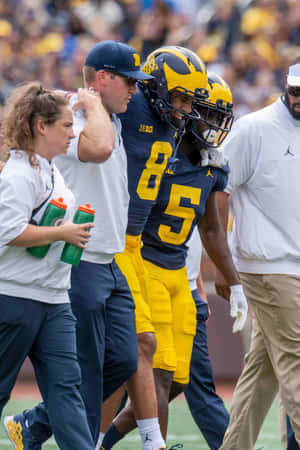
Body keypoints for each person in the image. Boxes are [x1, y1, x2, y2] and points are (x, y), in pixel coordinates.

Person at [6, 40, 153, 448]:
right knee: (84, 369)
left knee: (123, 358)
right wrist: (90, 105)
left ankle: (33, 425)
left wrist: (101, 107)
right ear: (102, 78)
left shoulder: (107, 114)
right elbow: (99, 150)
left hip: (110, 258)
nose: (134, 91)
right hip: (80, 258)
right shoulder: (69, 115)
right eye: (128, 82)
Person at [102, 72, 248, 448]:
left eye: (219, 118)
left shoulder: (210, 164)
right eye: (208, 116)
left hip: (178, 273)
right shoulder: (158, 151)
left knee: (176, 382)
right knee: (159, 374)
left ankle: (89, 438)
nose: (213, 126)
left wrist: (232, 282)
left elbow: (212, 228)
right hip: (144, 265)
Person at [100, 46, 208, 450]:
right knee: (137, 347)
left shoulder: (171, 122)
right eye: (179, 97)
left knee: (141, 358)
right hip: (112, 241)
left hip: (135, 244)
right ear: (157, 86)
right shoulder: (129, 107)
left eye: (189, 100)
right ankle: (150, 443)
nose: (184, 108)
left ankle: (51, 428)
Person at [0, 82, 95, 450]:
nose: (73, 133)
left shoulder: (50, 171)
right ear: (41, 126)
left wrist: (60, 233)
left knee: (67, 390)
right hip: (14, 298)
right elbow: (8, 231)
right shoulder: (18, 175)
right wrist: (64, 234)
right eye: (66, 126)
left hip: (54, 298)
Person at [216, 60, 300, 450]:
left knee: (264, 370)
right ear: (286, 86)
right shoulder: (254, 128)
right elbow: (219, 190)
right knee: (296, 361)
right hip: (268, 265)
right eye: (295, 90)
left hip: (291, 262)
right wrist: (222, 266)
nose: (299, 99)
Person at [185, 228, 230, 450]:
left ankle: (230, 445)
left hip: (188, 290)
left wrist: (199, 288)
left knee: (197, 381)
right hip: (155, 288)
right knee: (126, 374)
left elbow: (187, 241)